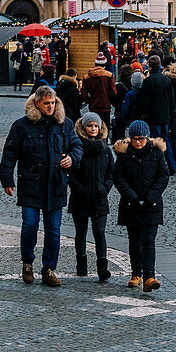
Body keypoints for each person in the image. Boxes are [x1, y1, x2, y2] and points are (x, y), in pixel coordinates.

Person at [0, 85, 83, 287]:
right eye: (47, 103)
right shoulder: (22, 126)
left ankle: (49, 269)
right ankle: (27, 263)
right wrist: (7, 180)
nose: (51, 107)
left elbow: (77, 146)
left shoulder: (65, 124)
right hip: (31, 183)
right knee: (30, 226)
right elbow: (10, 154)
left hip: (55, 184)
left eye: (53, 103)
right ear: (37, 103)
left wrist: (72, 158)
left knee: (53, 230)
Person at [112, 120, 169, 292]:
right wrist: (132, 197)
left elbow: (163, 177)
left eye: (141, 139)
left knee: (148, 240)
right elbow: (118, 178)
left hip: (152, 204)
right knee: (135, 241)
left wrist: (152, 196)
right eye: (135, 139)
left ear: (147, 138)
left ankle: (149, 276)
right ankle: (136, 273)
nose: (138, 142)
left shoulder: (157, 153)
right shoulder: (124, 155)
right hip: (132, 204)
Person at [67, 111, 114, 281]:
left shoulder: (106, 150)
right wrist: (79, 189)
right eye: (90, 125)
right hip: (80, 198)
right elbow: (70, 174)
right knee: (81, 233)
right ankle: (82, 266)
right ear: (84, 127)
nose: (93, 128)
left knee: (99, 232)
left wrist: (104, 188)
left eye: (96, 126)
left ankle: (103, 268)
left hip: (100, 198)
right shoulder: (77, 148)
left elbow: (111, 173)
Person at [138, 54, 176, 175]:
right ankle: (171, 165)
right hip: (165, 115)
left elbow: (144, 101)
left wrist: (142, 115)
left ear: (149, 65)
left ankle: (158, 166)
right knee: (165, 140)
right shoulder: (166, 80)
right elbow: (171, 99)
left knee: (155, 141)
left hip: (153, 116)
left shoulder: (148, 81)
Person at [81, 53, 118, 129]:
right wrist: (111, 101)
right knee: (105, 129)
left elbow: (83, 94)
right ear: (105, 65)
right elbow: (113, 93)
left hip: (93, 107)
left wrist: (90, 101)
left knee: (94, 129)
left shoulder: (87, 77)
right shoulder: (109, 75)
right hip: (105, 107)